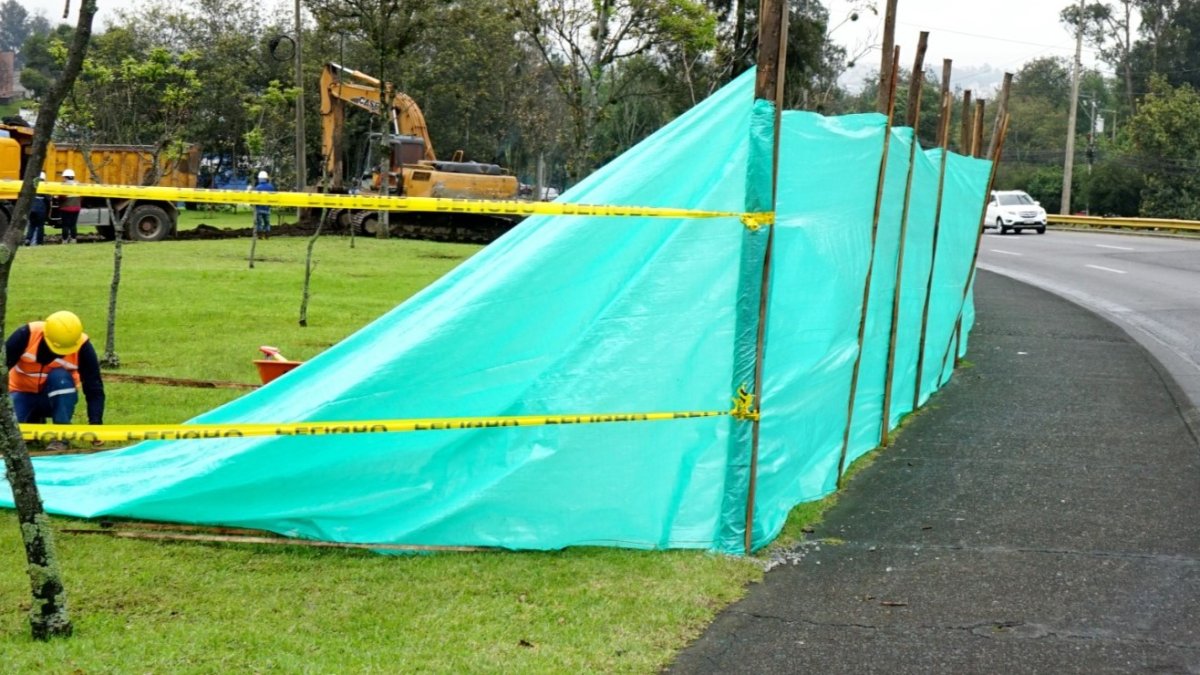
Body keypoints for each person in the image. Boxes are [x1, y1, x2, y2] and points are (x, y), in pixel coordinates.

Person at [6, 311, 104, 445]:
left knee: (60, 377)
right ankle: (32, 421)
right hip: (20, 393)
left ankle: (61, 436)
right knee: (11, 439)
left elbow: (94, 388)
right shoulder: (26, 335)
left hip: (57, 398)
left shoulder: (82, 346)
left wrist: (96, 425)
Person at [57, 168, 82, 244]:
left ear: (65, 177)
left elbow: (62, 197)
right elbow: (81, 196)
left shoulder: (64, 185)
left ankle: (64, 240)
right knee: (73, 224)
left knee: (65, 225)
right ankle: (74, 239)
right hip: (76, 207)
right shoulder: (78, 184)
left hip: (66, 208)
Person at [24, 172, 49, 246]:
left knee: (32, 225)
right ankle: (39, 242)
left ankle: (28, 239)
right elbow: (47, 200)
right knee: (40, 226)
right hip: (41, 209)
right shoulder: (45, 187)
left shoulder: (32, 186)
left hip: (32, 208)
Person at [252, 170, 275, 239]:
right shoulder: (271, 187)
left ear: (260, 179)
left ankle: (260, 235)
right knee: (267, 222)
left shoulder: (258, 187)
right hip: (267, 208)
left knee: (259, 222)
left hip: (259, 208)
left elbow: (255, 198)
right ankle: (267, 235)